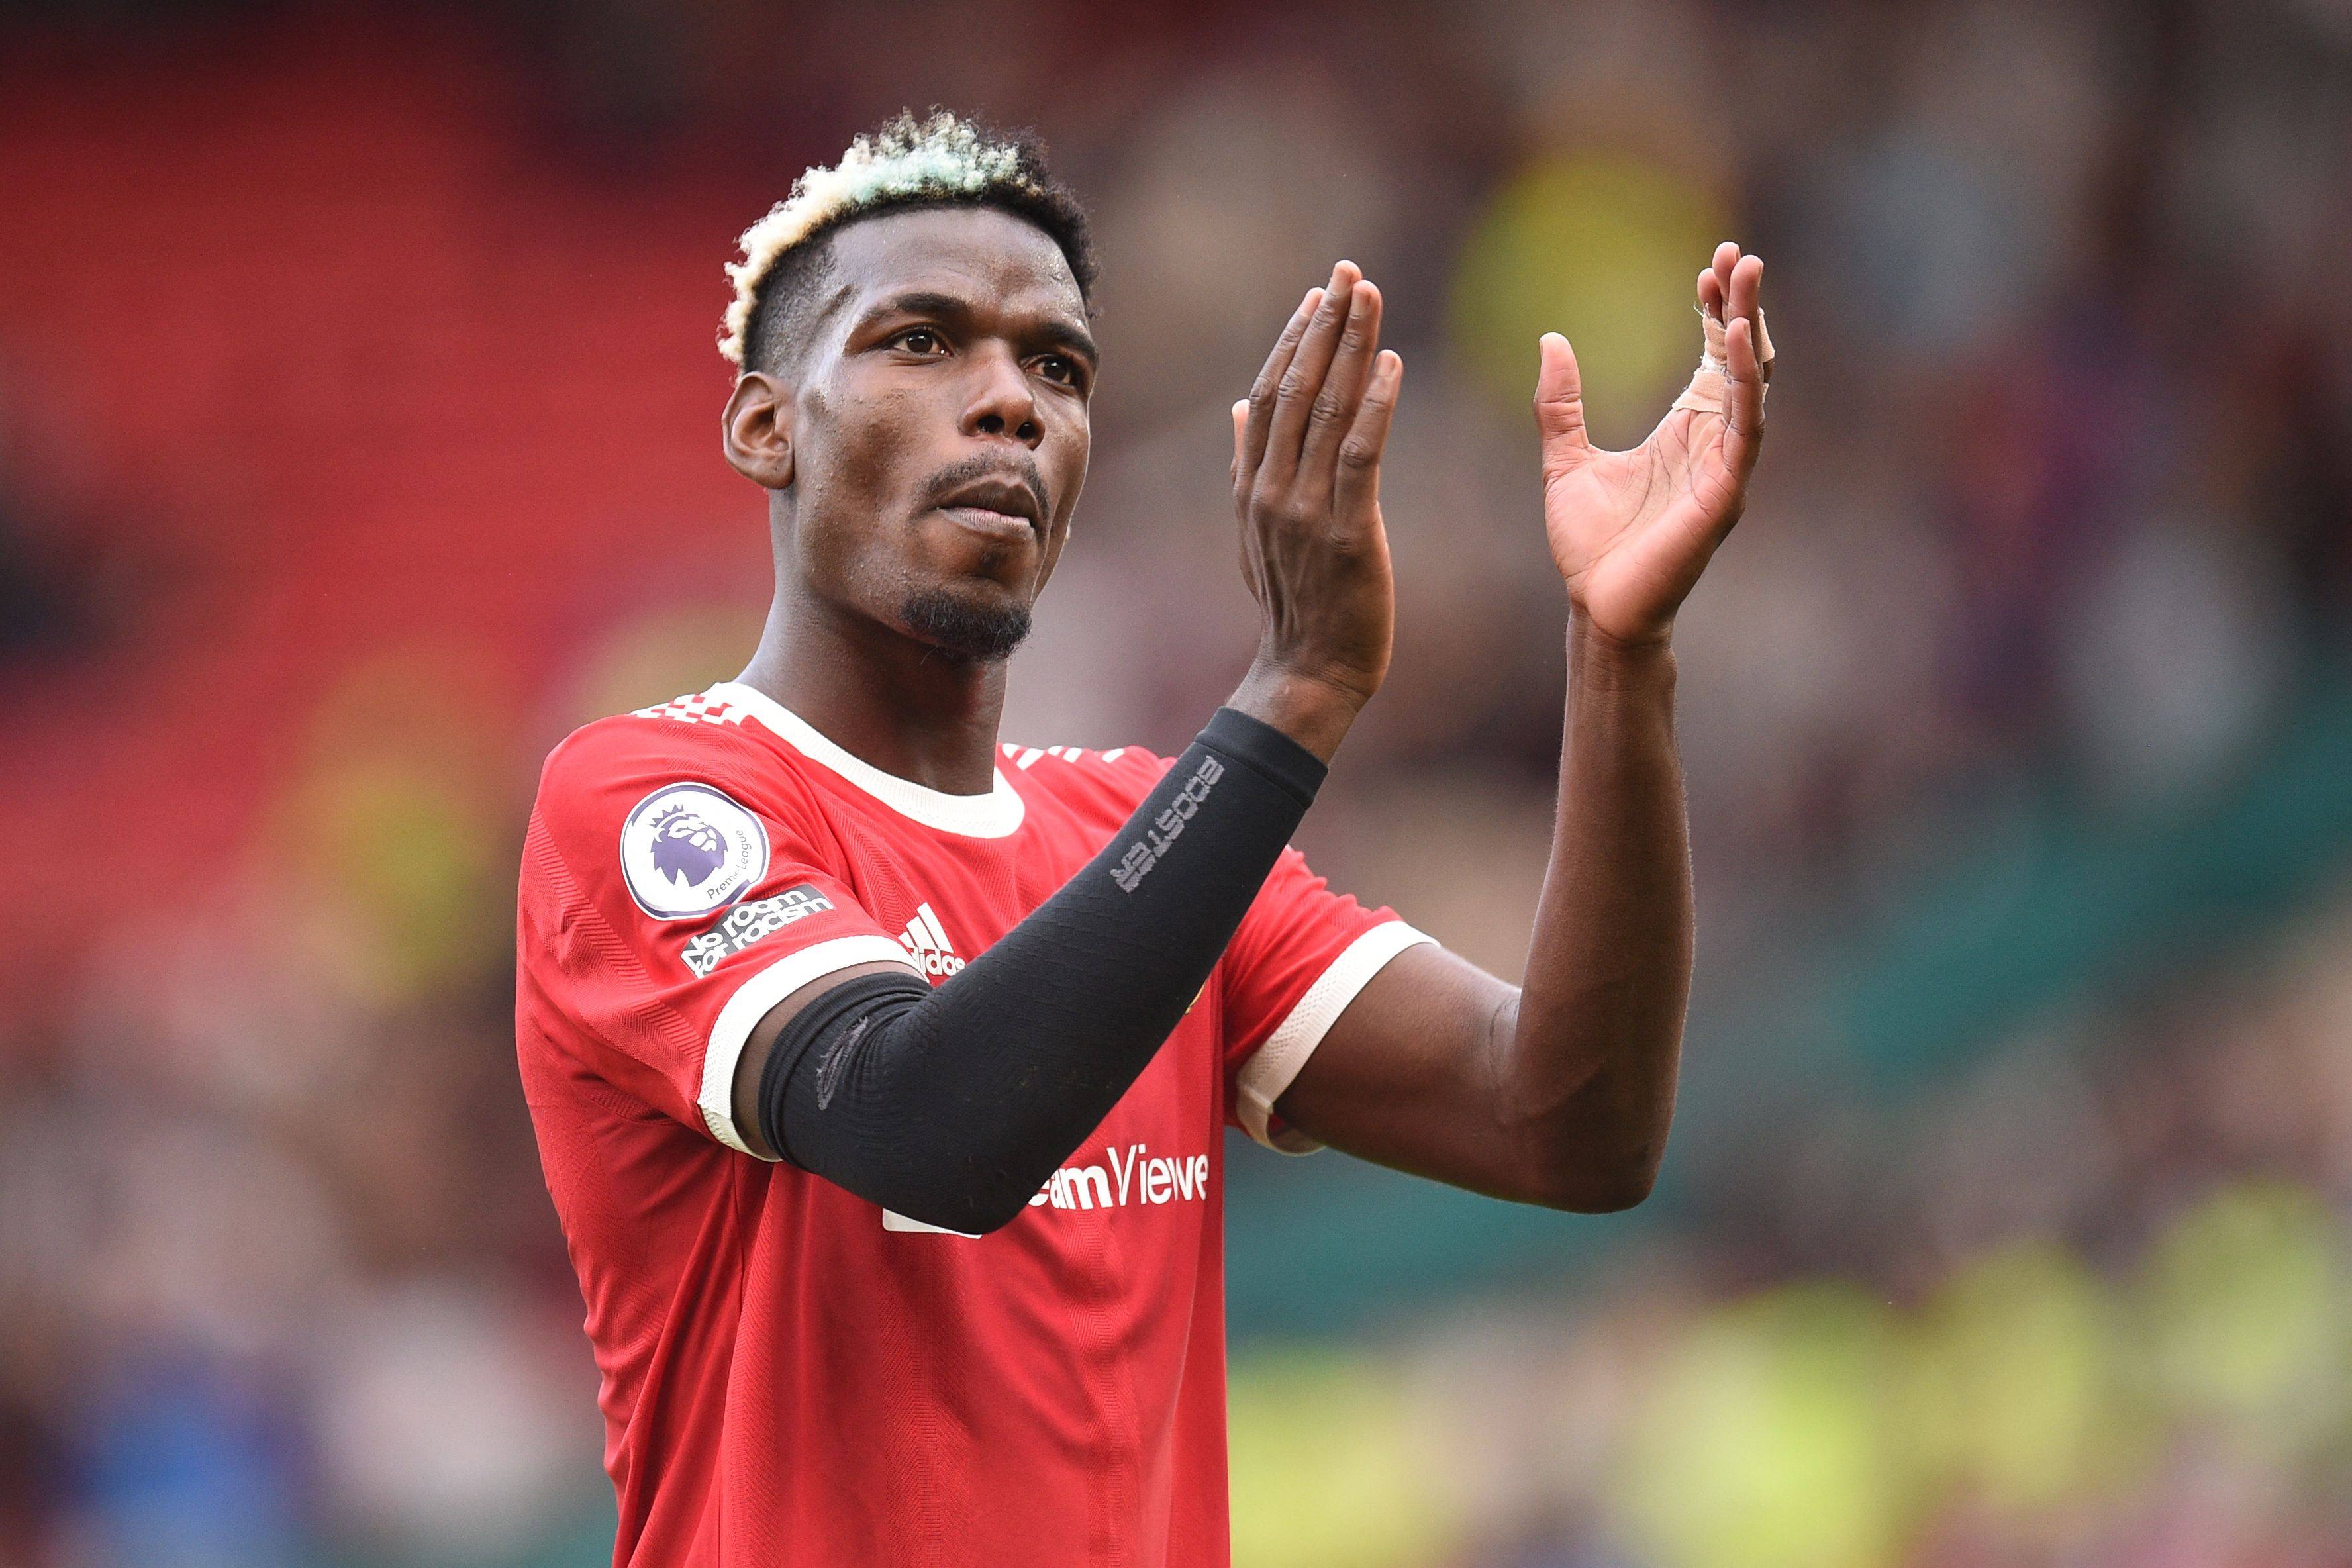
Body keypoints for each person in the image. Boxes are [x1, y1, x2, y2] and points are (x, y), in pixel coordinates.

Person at [514, 111, 1771, 1568]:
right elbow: (931, 1130)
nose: (1008, 401)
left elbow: (1570, 1124)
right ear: (765, 425)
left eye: (1057, 366)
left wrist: (1621, 653)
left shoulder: (1138, 830)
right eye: (921, 341)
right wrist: (1298, 691)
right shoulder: (652, 800)